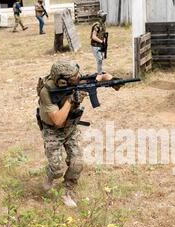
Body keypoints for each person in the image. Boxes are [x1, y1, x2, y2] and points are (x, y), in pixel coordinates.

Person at [36, 60, 120, 207]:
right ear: (62, 81)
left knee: (77, 163)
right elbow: (57, 121)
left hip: (71, 128)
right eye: (75, 77)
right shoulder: (46, 92)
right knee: (57, 170)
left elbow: (100, 77)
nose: (78, 77)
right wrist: (70, 100)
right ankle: (50, 173)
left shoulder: (75, 79)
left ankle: (67, 192)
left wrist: (112, 80)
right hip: (52, 131)